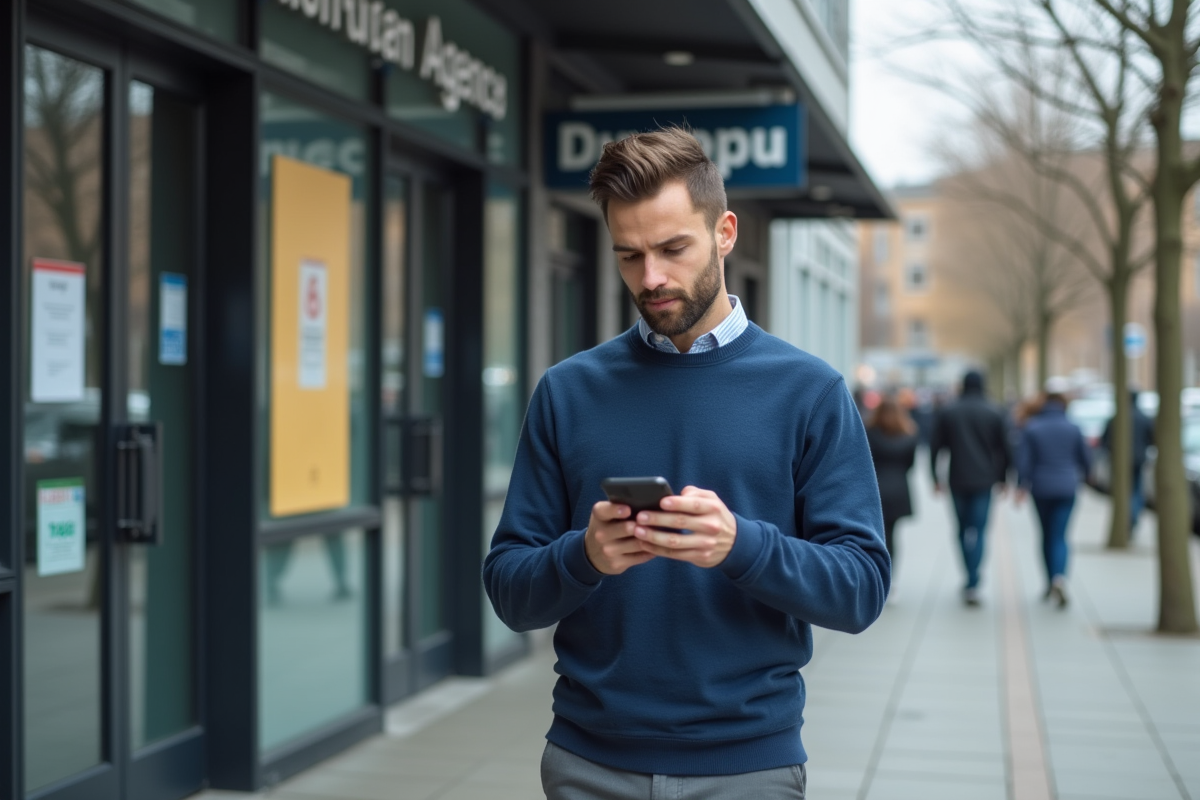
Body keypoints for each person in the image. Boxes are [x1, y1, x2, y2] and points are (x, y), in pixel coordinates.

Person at [483, 127, 889, 800]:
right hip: (588, 763)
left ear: (725, 232)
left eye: (673, 249)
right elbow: (508, 591)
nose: (651, 278)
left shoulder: (809, 392)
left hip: (748, 768)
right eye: (629, 256)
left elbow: (861, 590)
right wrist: (584, 556)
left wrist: (741, 546)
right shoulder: (567, 390)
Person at [929, 370, 1011, 606]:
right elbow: (1005, 449)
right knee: (980, 530)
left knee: (961, 529)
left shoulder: (949, 411)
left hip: (957, 479)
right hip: (985, 480)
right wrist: (1004, 477)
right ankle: (974, 580)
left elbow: (936, 447)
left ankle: (969, 575)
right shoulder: (995, 411)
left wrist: (935, 477)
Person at [1016, 378, 1092, 607]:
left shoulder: (1032, 427)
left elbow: (1024, 462)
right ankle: (1059, 577)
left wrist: (1021, 486)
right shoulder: (1074, 427)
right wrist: (1086, 476)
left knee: (1046, 534)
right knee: (1060, 535)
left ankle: (1049, 582)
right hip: (1067, 486)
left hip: (1041, 488)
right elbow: (1086, 460)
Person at [866, 395, 918, 600]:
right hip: (899, 490)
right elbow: (910, 465)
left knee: (877, 536)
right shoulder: (909, 435)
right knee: (893, 537)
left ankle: (875, 578)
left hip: (875, 490)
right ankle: (890, 580)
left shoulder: (869, 433)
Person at [1101, 388, 1155, 537]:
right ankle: (1133, 514)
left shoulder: (1116, 418)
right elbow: (1153, 439)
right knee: (1136, 490)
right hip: (1138, 460)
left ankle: (1128, 516)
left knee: (1122, 490)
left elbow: (1105, 441)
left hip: (1119, 461)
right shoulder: (1144, 418)